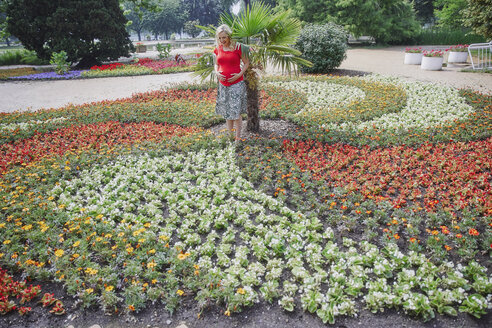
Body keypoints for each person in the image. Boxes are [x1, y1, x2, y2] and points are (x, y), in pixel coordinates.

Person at [213, 24, 250, 141]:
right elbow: (216, 64)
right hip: (222, 85)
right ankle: (230, 137)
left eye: (224, 37)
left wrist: (239, 74)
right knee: (227, 112)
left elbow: (246, 63)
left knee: (236, 111)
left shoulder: (238, 47)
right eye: (219, 38)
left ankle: (238, 138)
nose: (222, 40)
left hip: (236, 84)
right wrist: (217, 72)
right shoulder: (217, 48)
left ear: (229, 36)